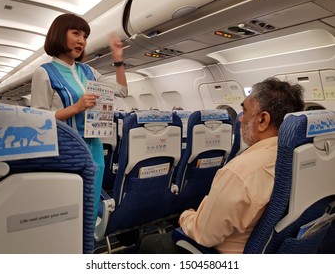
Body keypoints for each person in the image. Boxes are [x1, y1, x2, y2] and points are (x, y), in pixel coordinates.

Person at [140, 77, 304, 254]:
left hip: (222, 251)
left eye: (245, 110)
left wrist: (186, 217)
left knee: (149, 243)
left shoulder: (240, 172)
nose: (240, 119)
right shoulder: (297, 159)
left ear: (263, 120)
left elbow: (205, 235)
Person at [30, 13, 128, 221]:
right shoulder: (45, 72)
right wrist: (75, 108)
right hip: (66, 149)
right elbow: (37, 119)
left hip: (94, 147)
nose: (82, 41)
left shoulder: (89, 71)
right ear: (59, 34)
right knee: (69, 208)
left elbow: (121, 90)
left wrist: (118, 59)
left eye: (85, 36)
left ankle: (87, 247)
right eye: (76, 33)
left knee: (90, 206)